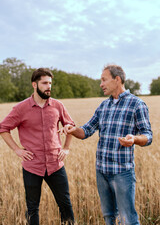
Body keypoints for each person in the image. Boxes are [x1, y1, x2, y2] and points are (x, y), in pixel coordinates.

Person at [60, 64, 152, 225]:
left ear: (117, 79)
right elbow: (86, 131)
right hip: (101, 171)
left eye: (104, 80)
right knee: (109, 216)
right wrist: (73, 130)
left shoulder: (137, 104)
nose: (101, 84)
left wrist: (134, 139)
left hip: (122, 172)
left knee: (128, 219)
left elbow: (148, 136)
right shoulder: (103, 106)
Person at [0, 68, 75, 225]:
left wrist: (66, 148)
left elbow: (70, 125)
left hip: (56, 164)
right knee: (32, 208)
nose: (49, 86)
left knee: (66, 205)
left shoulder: (57, 105)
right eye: (45, 83)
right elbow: (3, 128)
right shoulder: (21, 108)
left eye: (50, 83)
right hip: (32, 166)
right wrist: (17, 149)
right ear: (34, 84)